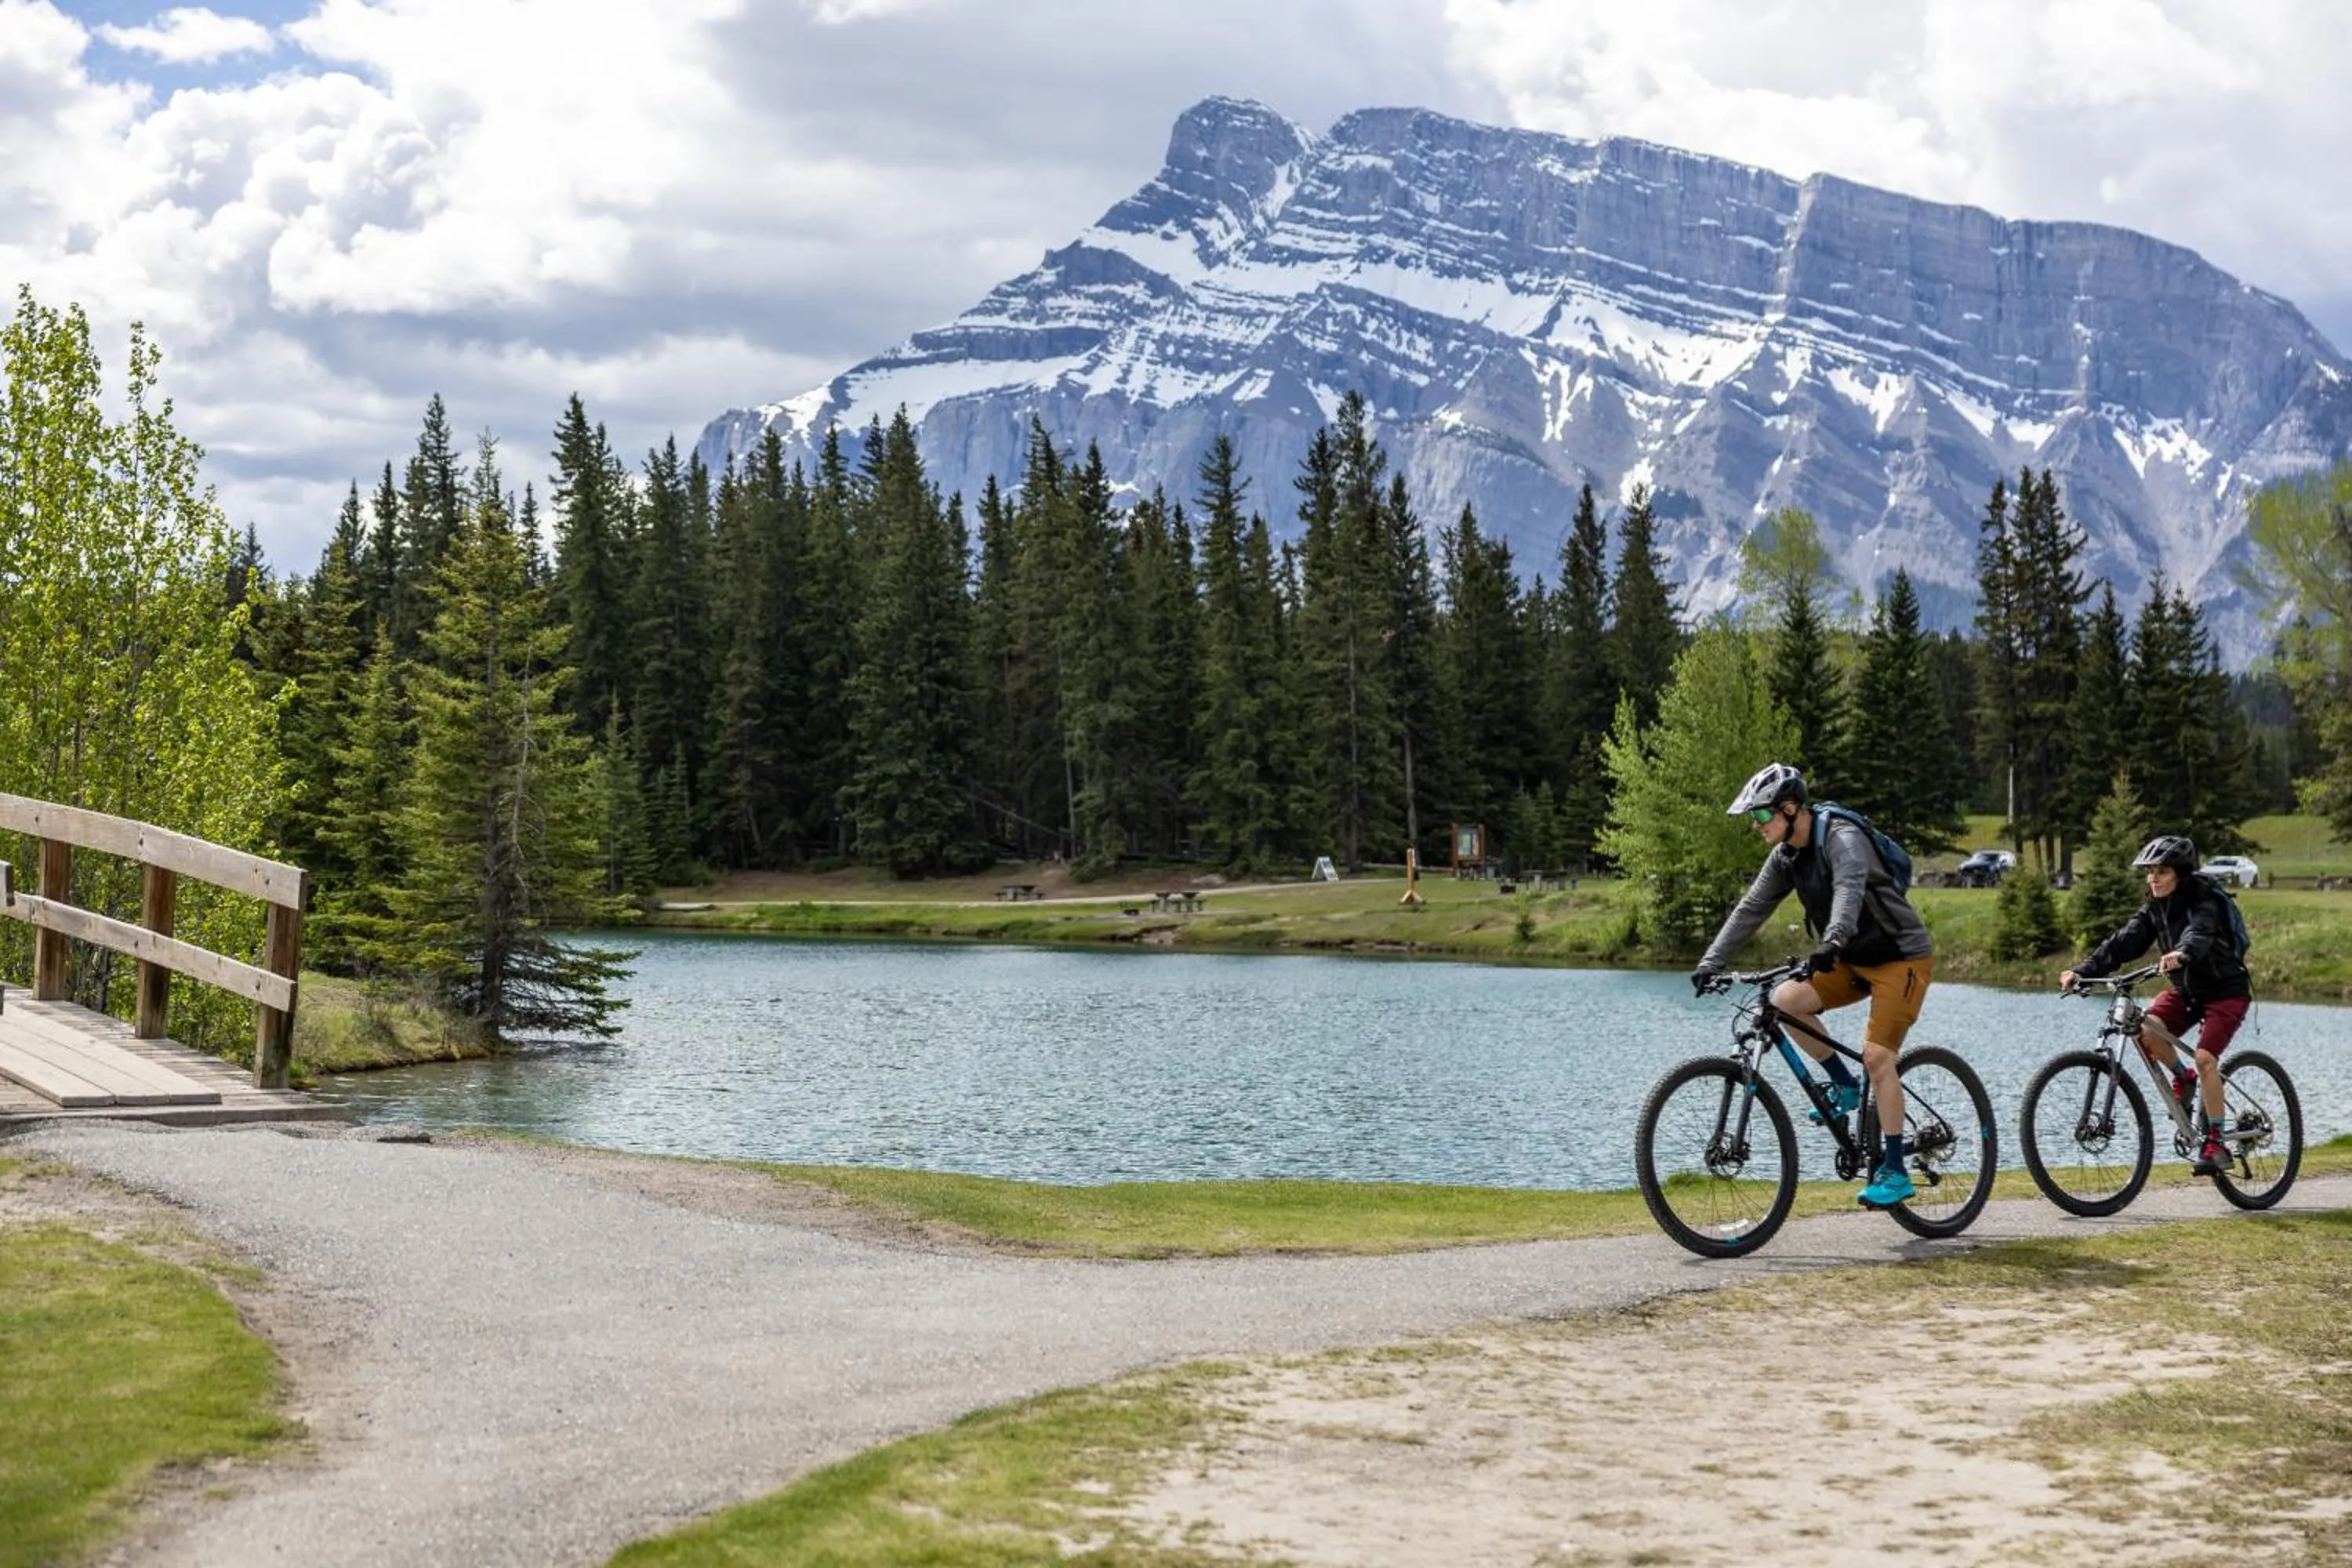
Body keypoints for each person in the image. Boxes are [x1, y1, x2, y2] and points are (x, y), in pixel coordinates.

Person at [1691, 763, 1936, 1209]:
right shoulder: (1786, 855)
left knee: (1878, 1057)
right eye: (1754, 819)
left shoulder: (1841, 837)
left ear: (1790, 809)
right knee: (1786, 1001)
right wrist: (1711, 961)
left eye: (1762, 816)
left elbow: (1848, 891)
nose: (1757, 826)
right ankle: (1843, 1085)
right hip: (1849, 959)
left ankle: (1897, 1171)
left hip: (1902, 958)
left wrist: (1832, 940)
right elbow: (1751, 909)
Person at [2060, 834, 2252, 1176]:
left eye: (2161, 872)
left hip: (2226, 990)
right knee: (2146, 1029)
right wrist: (2082, 971)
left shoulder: (2202, 900)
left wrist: (2183, 953)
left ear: (2180, 873)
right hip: (2187, 991)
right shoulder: (2154, 908)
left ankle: (2217, 1143)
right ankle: (2184, 1077)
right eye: (2150, 872)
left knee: (2207, 1058)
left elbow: (2200, 933)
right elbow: (2121, 945)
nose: (2153, 878)